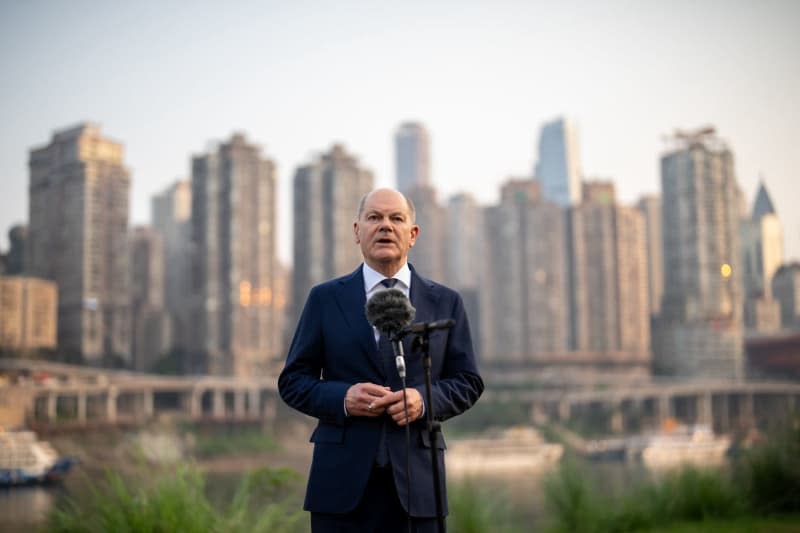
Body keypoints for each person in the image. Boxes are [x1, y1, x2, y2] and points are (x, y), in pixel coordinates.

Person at [279, 188, 484, 532]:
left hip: (419, 488)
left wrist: (423, 400)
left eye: (396, 218)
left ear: (413, 234)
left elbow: (468, 381)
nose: (385, 226)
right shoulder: (325, 299)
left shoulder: (445, 302)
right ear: (357, 230)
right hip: (340, 488)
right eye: (374, 218)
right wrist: (343, 398)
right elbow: (293, 381)